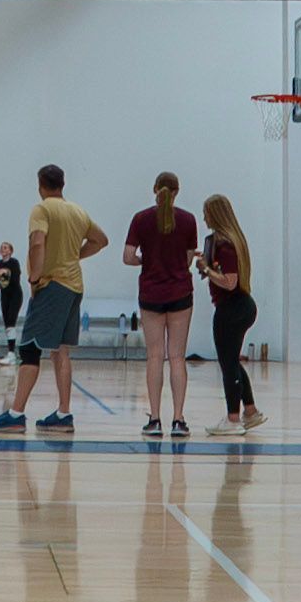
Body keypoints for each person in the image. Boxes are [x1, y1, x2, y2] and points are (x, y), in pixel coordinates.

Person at [0, 166, 107, 433]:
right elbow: (101, 240)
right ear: (63, 183)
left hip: (52, 285)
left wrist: (35, 276)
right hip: (74, 286)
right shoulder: (77, 211)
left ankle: (15, 414)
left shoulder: (42, 209)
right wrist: (74, 256)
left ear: (40, 185)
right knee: (60, 350)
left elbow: (37, 242)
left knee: (29, 348)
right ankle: (64, 414)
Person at [124, 171, 199, 437]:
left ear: (154, 188)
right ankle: (178, 420)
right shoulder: (188, 220)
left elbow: (128, 256)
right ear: (177, 191)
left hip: (151, 294)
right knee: (177, 357)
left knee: (154, 357)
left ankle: (154, 419)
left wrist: (147, 261)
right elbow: (189, 259)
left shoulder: (140, 219)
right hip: (180, 292)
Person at [196, 195, 266, 436]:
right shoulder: (232, 241)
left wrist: (206, 269)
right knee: (232, 361)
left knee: (227, 365)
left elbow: (229, 282)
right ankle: (250, 411)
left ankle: (233, 418)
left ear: (215, 214)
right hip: (242, 306)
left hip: (232, 308)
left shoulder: (225, 245)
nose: (204, 217)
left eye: (206, 212)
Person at [0, 242, 24, 366]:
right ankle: (11, 353)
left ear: (10, 251)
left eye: (5, 247)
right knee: (6, 323)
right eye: (1, 247)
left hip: (15, 295)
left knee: (11, 323)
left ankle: (11, 354)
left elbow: (14, 278)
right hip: (4, 295)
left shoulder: (14, 263)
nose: (3, 249)